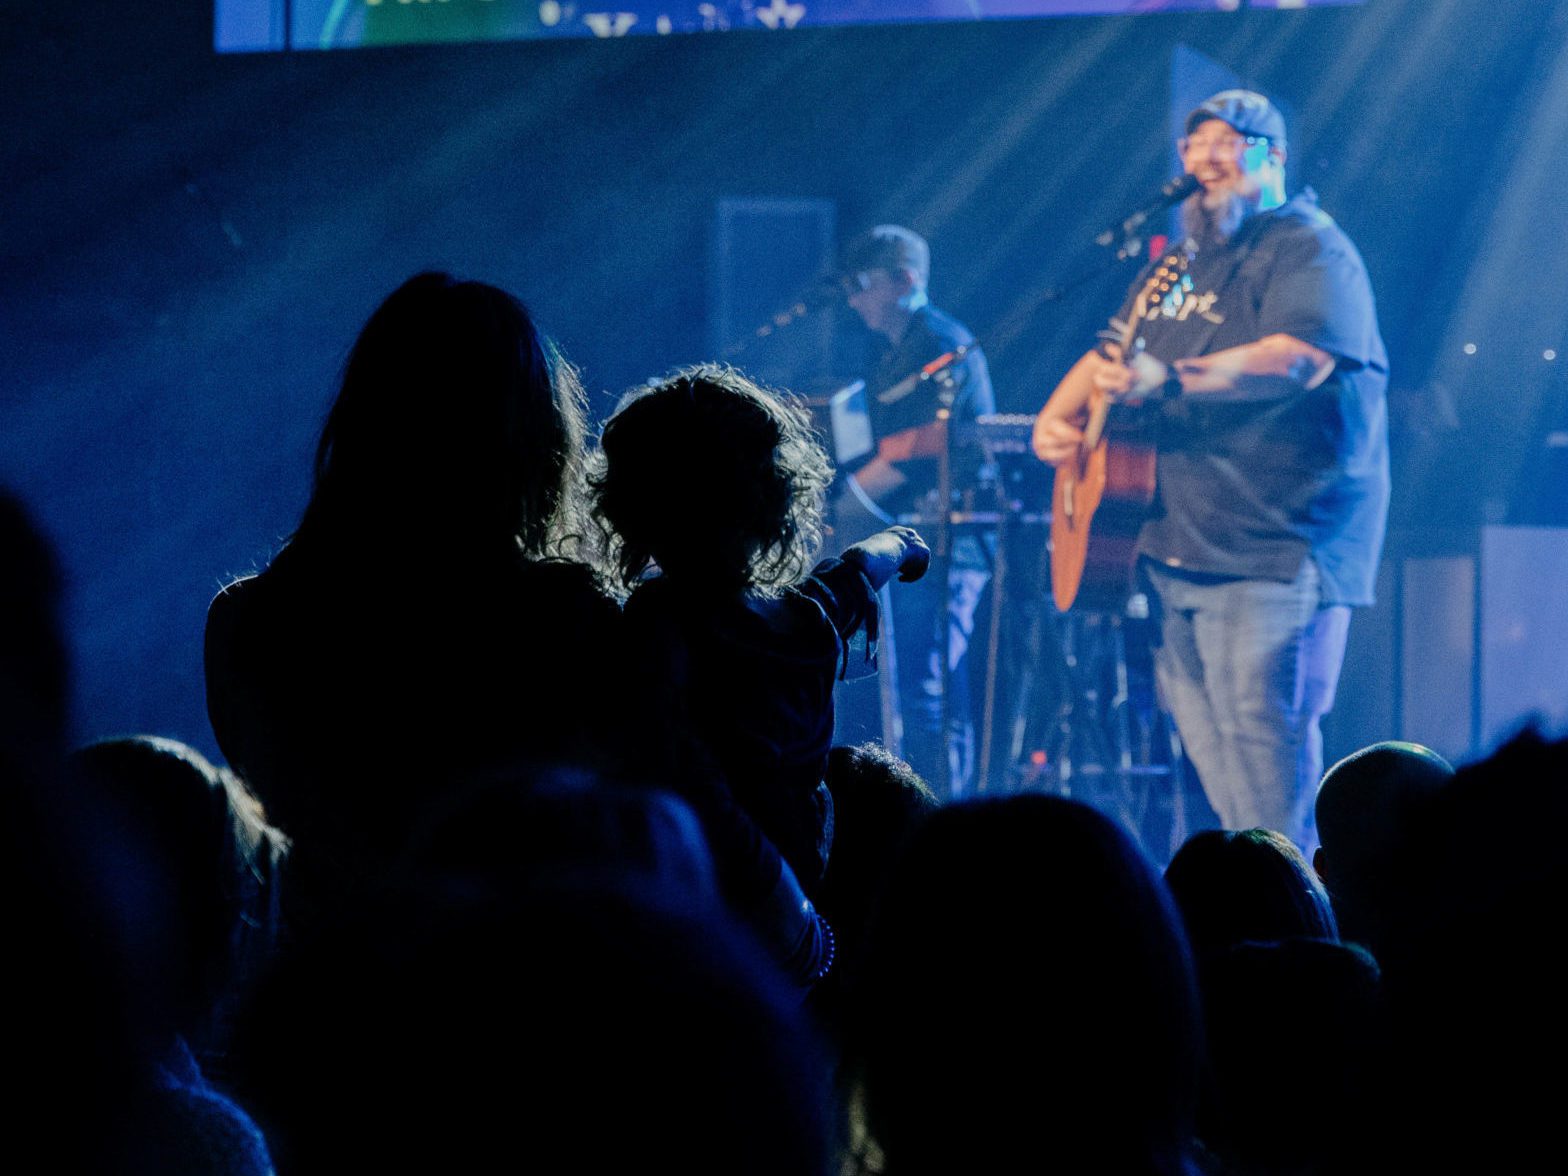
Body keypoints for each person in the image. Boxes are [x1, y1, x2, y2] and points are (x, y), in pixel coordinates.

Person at [1032, 90, 1389, 848]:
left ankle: (1302, 928)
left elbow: (1298, 359)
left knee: (1266, 752)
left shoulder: (1309, 246)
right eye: (1194, 146)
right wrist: (1056, 416)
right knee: (1215, 759)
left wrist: (1172, 378)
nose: (1205, 159)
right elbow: (1116, 351)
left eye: (1229, 142)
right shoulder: (1181, 265)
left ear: (1274, 156)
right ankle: (1257, 914)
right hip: (1173, 544)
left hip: (1275, 543)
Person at [590, 363, 930, 891]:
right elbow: (860, 567)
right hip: (799, 892)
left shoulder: (646, 623)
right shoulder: (804, 622)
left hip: (687, 896)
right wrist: (904, 544)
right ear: (775, 501)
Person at [835, 224, 996, 797]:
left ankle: (946, 815)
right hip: (910, 543)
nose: (854, 299)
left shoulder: (940, 342)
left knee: (929, 688)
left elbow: (935, 439)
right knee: (908, 689)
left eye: (863, 284)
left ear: (905, 279)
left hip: (951, 540)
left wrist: (849, 501)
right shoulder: (887, 353)